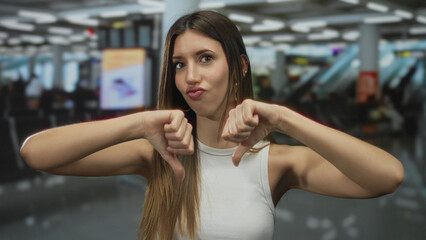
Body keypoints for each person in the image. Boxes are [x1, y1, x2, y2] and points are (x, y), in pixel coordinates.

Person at [20, 11, 404, 240]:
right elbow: (36, 153)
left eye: (205, 58)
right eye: (179, 64)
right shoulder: (159, 153)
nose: (190, 76)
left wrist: (285, 119)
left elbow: (387, 177)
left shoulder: (274, 163)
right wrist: (139, 123)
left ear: (239, 66)